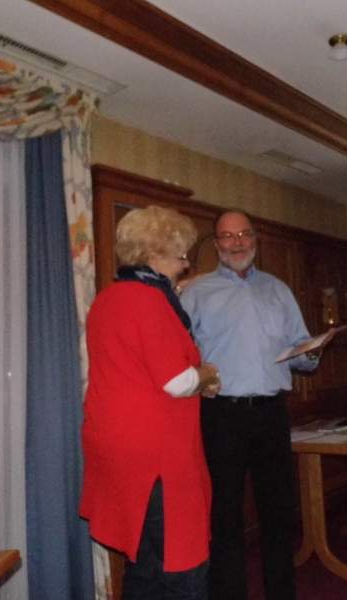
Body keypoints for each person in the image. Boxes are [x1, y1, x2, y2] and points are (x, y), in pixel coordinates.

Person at [80, 205, 221, 600]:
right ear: (156, 254)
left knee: (144, 563)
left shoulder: (107, 299)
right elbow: (176, 382)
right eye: (181, 255)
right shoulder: (149, 300)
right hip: (156, 454)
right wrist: (206, 373)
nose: (185, 264)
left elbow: (136, 372)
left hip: (116, 451)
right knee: (183, 565)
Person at [180, 209, 320, 600]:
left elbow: (300, 349)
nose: (237, 243)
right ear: (216, 244)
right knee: (225, 516)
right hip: (220, 415)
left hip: (272, 413)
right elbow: (178, 353)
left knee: (279, 513)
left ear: (255, 239)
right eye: (228, 236)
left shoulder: (279, 290)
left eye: (244, 234)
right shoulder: (196, 294)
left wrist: (311, 354)